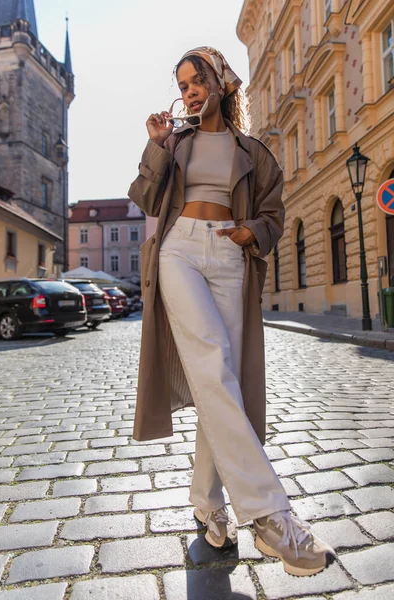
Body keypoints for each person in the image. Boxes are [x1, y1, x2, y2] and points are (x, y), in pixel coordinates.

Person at [128, 47, 335, 577]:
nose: (191, 90)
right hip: (178, 251)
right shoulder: (174, 143)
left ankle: (208, 506)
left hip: (229, 256)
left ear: (221, 83)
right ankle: (270, 516)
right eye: (183, 84)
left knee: (220, 383)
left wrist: (252, 233)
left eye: (199, 80)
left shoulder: (254, 152)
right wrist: (154, 148)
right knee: (214, 365)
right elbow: (148, 201)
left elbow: (274, 212)